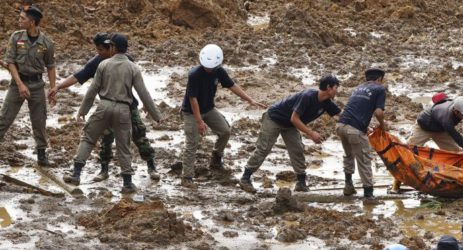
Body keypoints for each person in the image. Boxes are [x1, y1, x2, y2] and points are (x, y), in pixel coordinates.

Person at [49, 32, 161, 182]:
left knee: (139, 135)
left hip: (128, 106)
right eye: (98, 50)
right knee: (108, 139)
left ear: (111, 48)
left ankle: (151, 166)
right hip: (112, 107)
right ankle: (107, 171)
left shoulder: (124, 62)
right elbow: (79, 76)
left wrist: (147, 106)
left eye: (102, 50)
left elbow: (137, 88)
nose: (99, 53)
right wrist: (58, 86)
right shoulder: (98, 62)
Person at [180, 44, 265, 187]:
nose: (208, 69)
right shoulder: (194, 75)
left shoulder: (219, 71)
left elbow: (232, 86)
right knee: (192, 143)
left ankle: (216, 158)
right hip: (191, 112)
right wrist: (199, 121)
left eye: (210, 67)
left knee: (225, 131)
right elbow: (192, 99)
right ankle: (187, 178)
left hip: (208, 109)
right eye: (206, 66)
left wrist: (249, 99)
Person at [239, 75, 341, 193]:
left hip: (289, 125)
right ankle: (245, 178)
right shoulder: (308, 96)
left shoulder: (327, 103)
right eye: (336, 87)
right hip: (274, 118)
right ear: (329, 87)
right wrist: (311, 133)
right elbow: (295, 119)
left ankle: (301, 183)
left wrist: (361, 125)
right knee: (264, 148)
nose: (337, 91)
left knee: (297, 149)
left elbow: (341, 115)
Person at [389, 94, 463, 194]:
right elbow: (460, 140)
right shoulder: (446, 118)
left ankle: (455, 181)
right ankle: (396, 185)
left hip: (441, 130)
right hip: (423, 127)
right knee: (406, 153)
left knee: (455, 154)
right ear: (456, 112)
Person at [0, 5, 55, 166]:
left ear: (32, 22)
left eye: (22, 18)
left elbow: (51, 66)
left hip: (37, 86)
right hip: (17, 85)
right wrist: (20, 84)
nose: (19, 21)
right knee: (5, 118)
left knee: (39, 121)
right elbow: (10, 62)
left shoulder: (47, 43)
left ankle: (42, 154)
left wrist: (53, 88)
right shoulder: (16, 38)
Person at [336, 67, 387, 200]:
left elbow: (355, 110)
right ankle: (369, 196)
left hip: (341, 125)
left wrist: (366, 127)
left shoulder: (358, 88)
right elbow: (378, 112)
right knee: (364, 160)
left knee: (348, 155)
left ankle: (348, 186)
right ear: (380, 79)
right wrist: (383, 125)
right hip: (354, 130)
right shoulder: (379, 88)